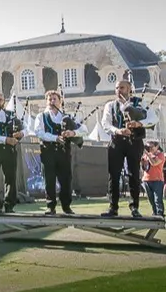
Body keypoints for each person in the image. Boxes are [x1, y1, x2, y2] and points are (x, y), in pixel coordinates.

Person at [100, 79, 158, 217]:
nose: (119, 90)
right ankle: (113, 208)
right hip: (117, 142)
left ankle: (134, 208)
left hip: (134, 142)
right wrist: (118, 131)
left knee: (133, 175)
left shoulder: (140, 103)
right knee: (113, 175)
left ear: (129, 89)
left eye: (122, 87)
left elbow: (153, 118)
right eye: (117, 88)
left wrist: (139, 123)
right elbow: (105, 123)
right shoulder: (110, 105)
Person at [33, 90, 87, 215]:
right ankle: (50, 206)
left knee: (66, 179)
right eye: (49, 99)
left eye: (54, 99)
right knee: (49, 179)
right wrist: (55, 138)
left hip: (64, 152)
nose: (52, 101)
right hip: (48, 151)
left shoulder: (66, 117)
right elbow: (38, 132)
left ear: (60, 101)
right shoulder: (41, 116)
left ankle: (66, 206)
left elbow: (84, 129)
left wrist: (73, 133)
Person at [141, 142, 165, 217]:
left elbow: (154, 163)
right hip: (146, 180)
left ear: (157, 146)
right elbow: (144, 167)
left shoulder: (160, 155)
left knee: (157, 199)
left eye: (151, 147)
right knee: (151, 199)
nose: (150, 149)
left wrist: (148, 155)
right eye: (148, 147)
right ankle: (155, 213)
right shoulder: (145, 155)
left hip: (157, 180)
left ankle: (160, 213)